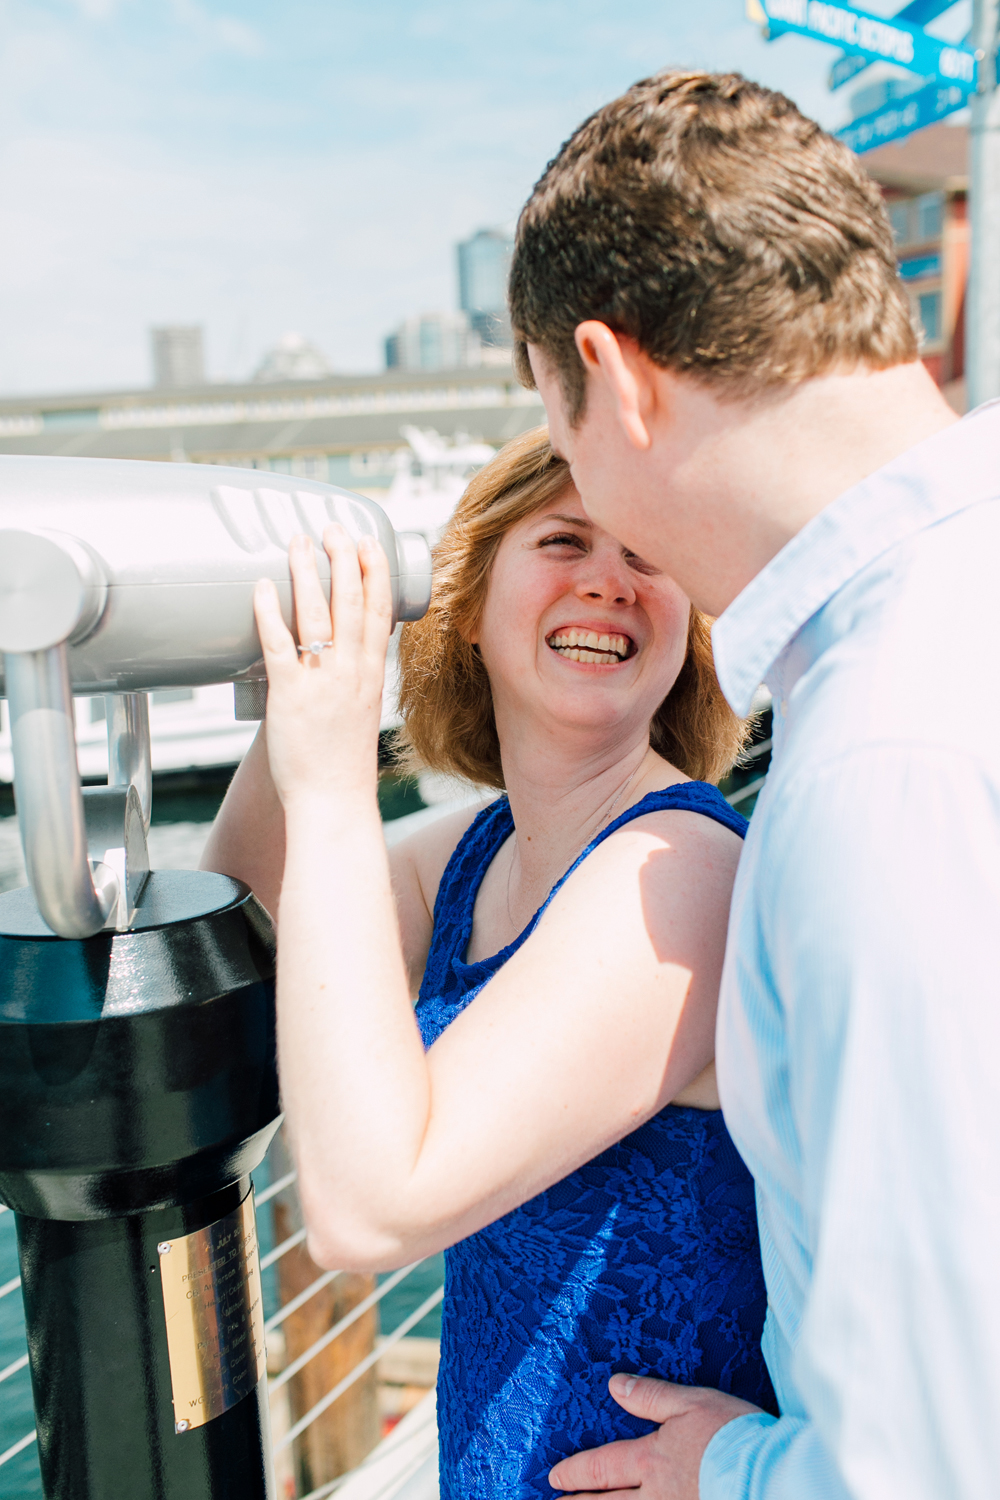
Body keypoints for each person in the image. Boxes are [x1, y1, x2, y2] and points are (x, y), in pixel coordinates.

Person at [506, 68, 1000, 1500]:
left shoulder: (879, 762)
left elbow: (939, 1462)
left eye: (560, 432)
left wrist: (738, 1470)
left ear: (613, 377)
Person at [201, 426, 777, 1499]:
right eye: (563, 541)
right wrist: (308, 682)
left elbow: (368, 1213)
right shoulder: (477, 853)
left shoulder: (679, 870)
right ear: (465, 606)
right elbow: (236, 945)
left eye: (646, 555)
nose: (608, 580)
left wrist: (331, 783)